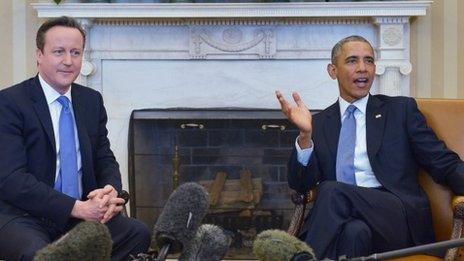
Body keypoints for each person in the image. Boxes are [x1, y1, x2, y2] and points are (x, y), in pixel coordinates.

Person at [276, 35, 464, 259]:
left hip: (396, 217)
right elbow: (300, 185)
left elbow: (442, 161)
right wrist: (305, 136)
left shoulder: (400, 111)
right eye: (352, 60)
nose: (363, 68)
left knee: (331, 190)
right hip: (351, 221)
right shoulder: (319, 123)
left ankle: (300, 256)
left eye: (369, 61)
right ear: (332, 71)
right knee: (354, 233)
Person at [0, 16, 151, 260]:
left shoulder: (91, 101)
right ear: (39, 55)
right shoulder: (10, 102)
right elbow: (12, 180)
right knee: (38, 254)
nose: (68, 61)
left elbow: (104, 156)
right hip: (25, 216)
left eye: (75, 52)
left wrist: (111, 191)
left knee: (137, 234)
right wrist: (77, 208)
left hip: (81, 216)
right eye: (59, 52)